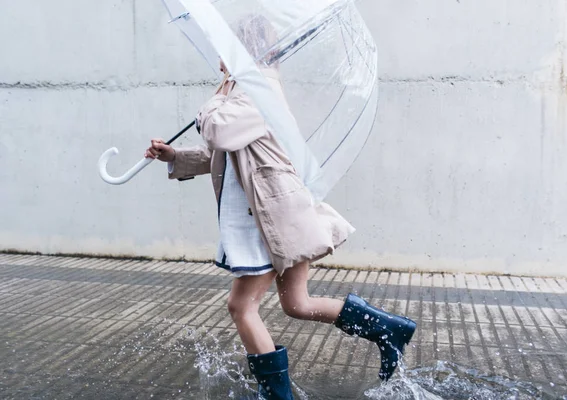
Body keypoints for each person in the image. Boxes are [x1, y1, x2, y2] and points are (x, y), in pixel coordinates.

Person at [145, 15, 416, 400]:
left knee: (241, 306)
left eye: (224, 46)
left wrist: (210, 105)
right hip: (278, 213)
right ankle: (389, 329)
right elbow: (220, 151)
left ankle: (277, 395)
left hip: (272, 219)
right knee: (297, 303)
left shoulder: (260, 88)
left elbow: (218, 129)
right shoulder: (239, 88)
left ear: (242, 50)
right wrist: (174, 155)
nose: (218, 54)